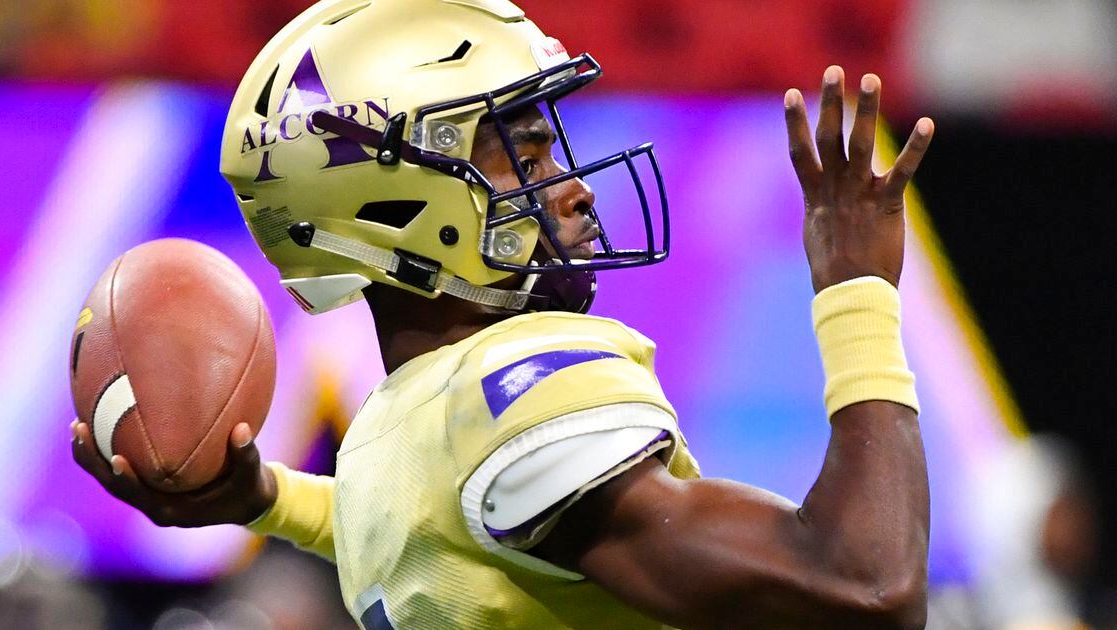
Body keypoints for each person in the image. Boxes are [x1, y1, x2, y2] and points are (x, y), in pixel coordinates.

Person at [71, 0, 936, 627]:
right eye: (527, 154)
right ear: (398, 201)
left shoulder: (392, 431)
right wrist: (858, 291)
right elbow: (862, 584)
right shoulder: (517, 388)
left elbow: (422, 519)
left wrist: (260, 496)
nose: (575, 188)